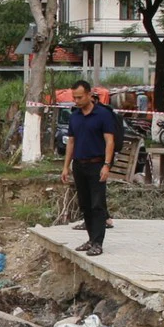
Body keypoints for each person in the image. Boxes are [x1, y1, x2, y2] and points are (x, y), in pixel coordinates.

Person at [59, 80, 119, 256]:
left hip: (97, 164)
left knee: (97, 204)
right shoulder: (74, 116)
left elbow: (110, 141)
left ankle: (98, 242)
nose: (76, 101)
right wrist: (66, 167)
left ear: (89, 95)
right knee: (85, 204)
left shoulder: (103, 114)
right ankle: (91, 238)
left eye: (79, 97)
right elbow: (71, 142)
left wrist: (107, 165)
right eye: (74, 97)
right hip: (79, 165)